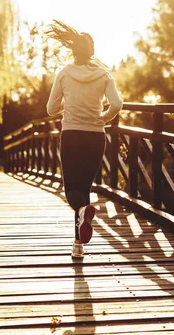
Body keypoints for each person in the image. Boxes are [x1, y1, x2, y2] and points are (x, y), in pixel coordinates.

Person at [45, 20, 123, 258]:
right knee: (85, 188)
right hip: (95, 137)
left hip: (71, 135)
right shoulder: (104, 75)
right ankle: (78, 246)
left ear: (74, 50)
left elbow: (50, 109)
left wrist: (65, 108)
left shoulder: (64, 73)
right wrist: (102, 118)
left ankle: (81, 221)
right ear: (92, 51)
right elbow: (117, 104)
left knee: (72, 190)